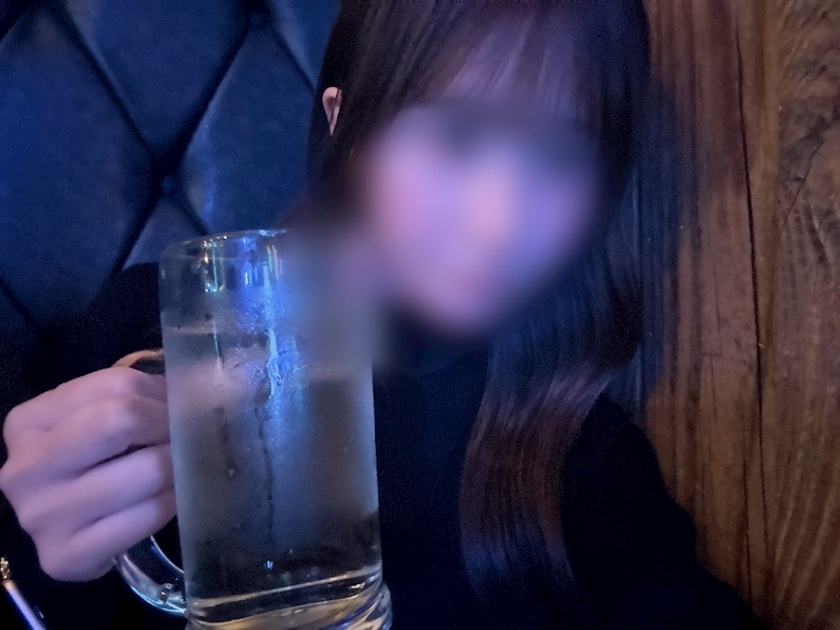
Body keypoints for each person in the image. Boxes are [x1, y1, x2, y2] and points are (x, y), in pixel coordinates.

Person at [0, 1, 764, 628]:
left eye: (559, 160)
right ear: (345, 122)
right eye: (458, 136)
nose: (499, 224)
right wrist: (40, 571)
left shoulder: (577, 450)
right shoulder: (156, 335)